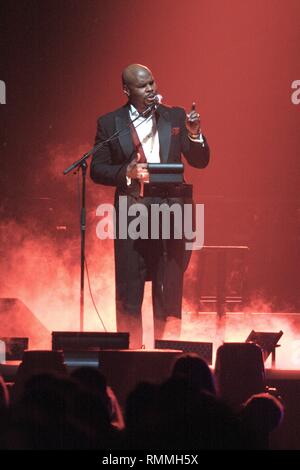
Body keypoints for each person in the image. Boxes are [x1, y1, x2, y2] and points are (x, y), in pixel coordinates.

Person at [90, 64, 210, 348]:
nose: (151, 89)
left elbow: (200, 161)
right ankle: (130, 357)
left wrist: (194, 135)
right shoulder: (110, 123)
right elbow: (97, 169)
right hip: (133, 214)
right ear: (127, 91)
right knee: (129, 294)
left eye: (152, 83)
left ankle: (169, 360)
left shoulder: (175, 116)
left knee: (167, 295)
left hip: (172, 214)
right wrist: (125, 173)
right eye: (143, 86)